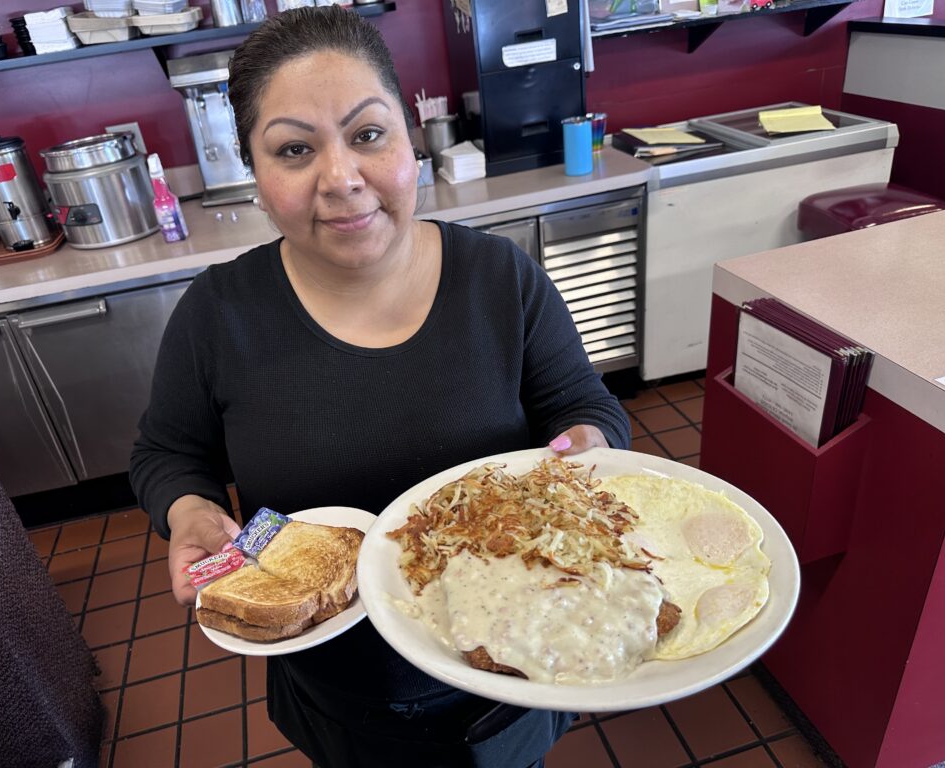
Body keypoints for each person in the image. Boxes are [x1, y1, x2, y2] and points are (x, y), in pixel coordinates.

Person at [130, 6, 631, 767]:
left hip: (513, 663)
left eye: (368, 135)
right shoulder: (217, 313)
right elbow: (166, 452)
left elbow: (588, 408)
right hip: (334, 680)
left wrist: (588, 449)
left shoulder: (501, 278)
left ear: (411, 140)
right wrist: (189, 506)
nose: (341, 180)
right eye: (295, 150)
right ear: (257, 176)